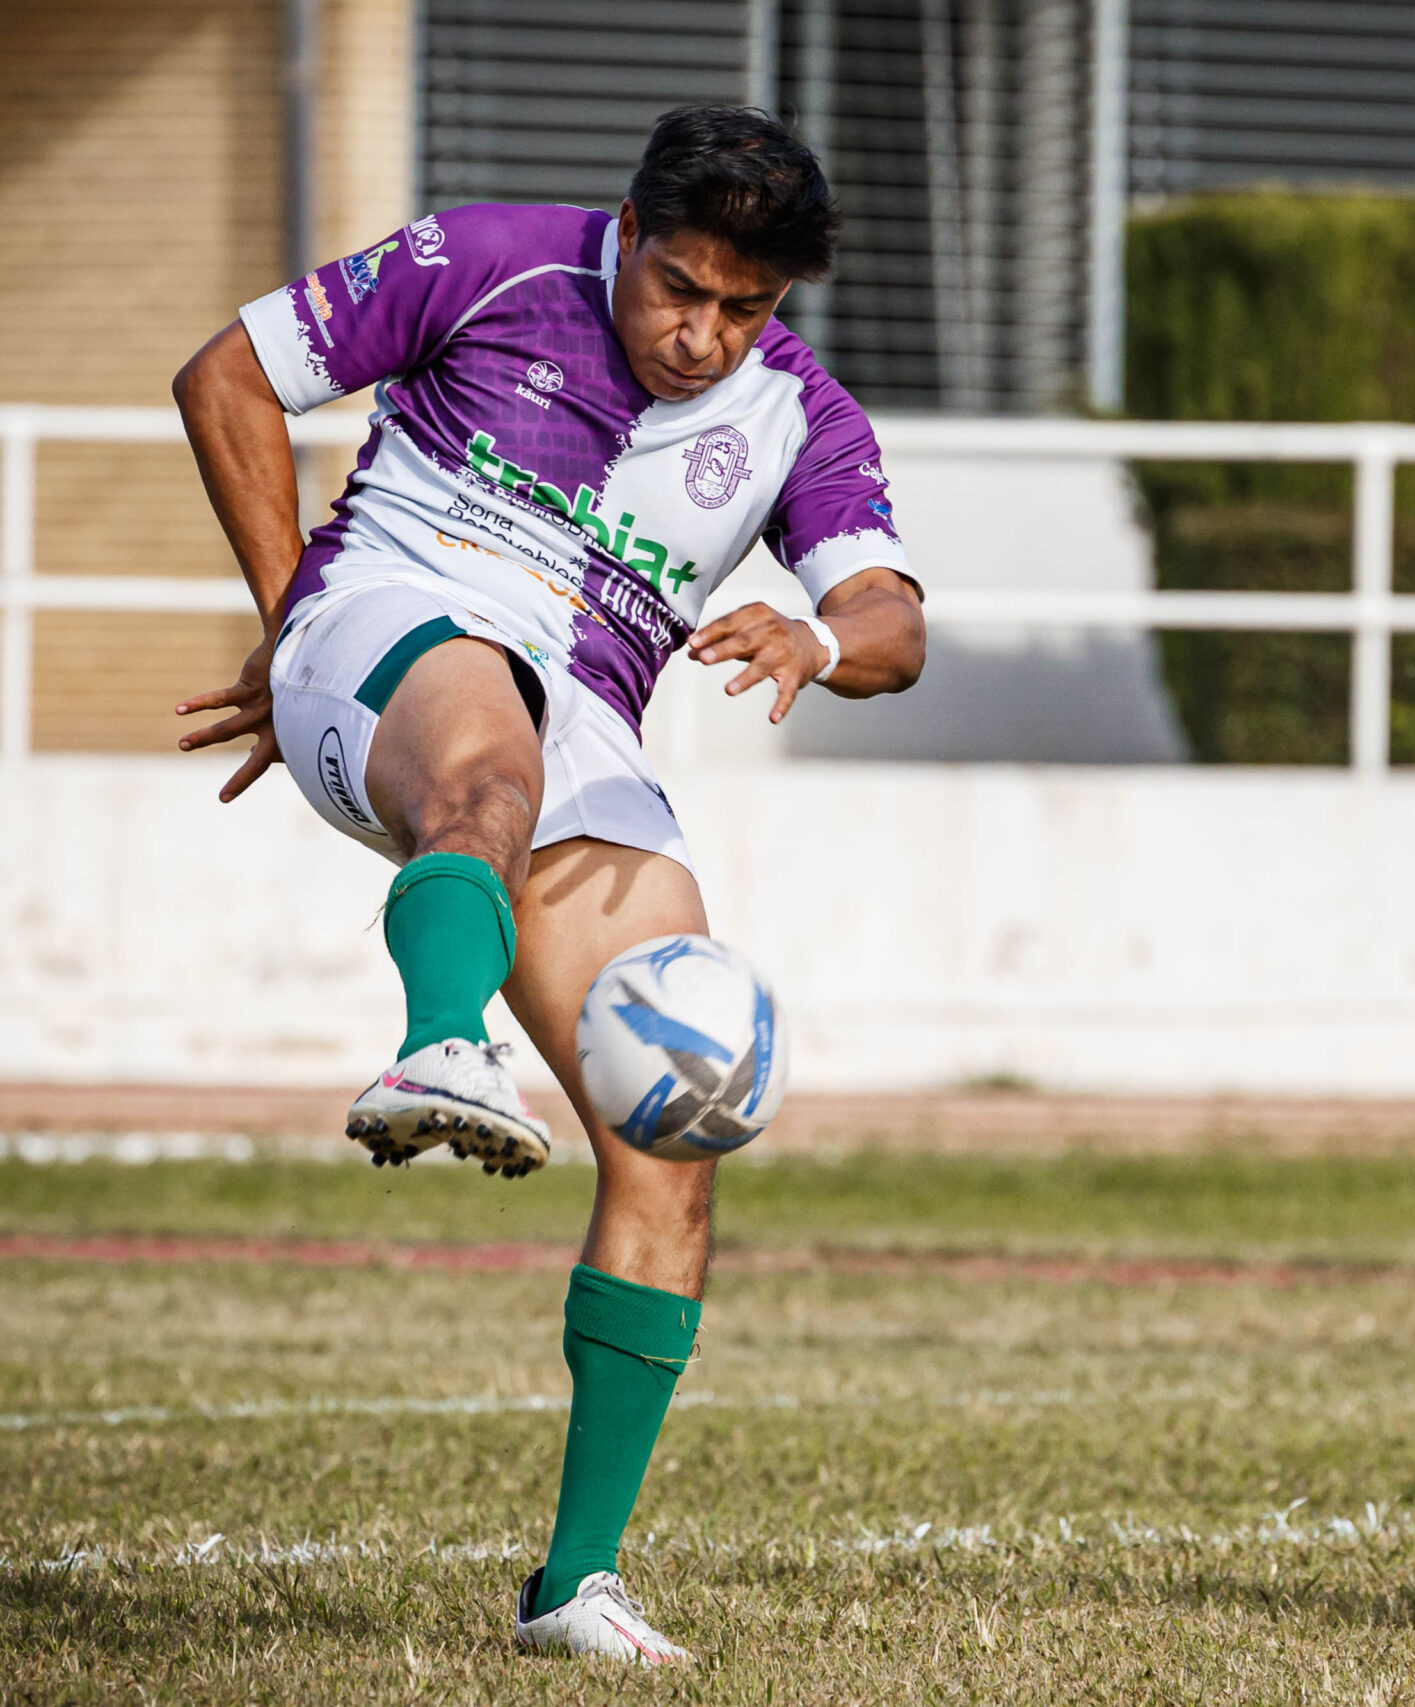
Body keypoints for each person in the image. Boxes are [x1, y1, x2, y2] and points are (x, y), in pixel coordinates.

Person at [171, 106, 926, 1662]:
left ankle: (574, 1584)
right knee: (487, 771)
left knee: (680, 1114)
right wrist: (288, 612)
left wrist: (822, 638)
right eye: (684, 290)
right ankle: (442, 1041)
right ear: (631, 230)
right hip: (392, 606)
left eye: (747, 309)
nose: (705, 335)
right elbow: (228, 373)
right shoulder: (497, 259)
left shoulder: (802, 417)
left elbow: (893, 617)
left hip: (582, 723)